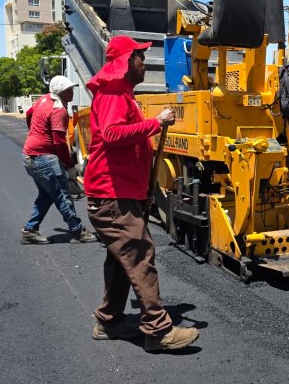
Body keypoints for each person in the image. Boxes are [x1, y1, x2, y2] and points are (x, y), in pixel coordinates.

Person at [84, 35, 200, 352]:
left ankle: (110, 321)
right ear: (125, 61)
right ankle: (158, 330)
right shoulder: (113, 93)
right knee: (139, 253)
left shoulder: (123, 94)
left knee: (123, 259)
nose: (145, 61)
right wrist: (154, 123)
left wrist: (142, 192)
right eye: (139, 55)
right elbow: (110, 135)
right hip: (111, 194)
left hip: (120, 192)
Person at [20, 75, 98, 245]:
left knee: (47, 196)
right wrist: (70, 165)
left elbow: (28, 114)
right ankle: (77, 232)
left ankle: (29, 230)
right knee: (63, 195)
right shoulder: (59, 110)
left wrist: (35, 134)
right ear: (59, 92)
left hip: (29, 155)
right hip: (44, 158)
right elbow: (59, 142)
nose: (71, 93)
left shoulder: (44, 99)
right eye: (68, 90)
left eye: (72, 89)